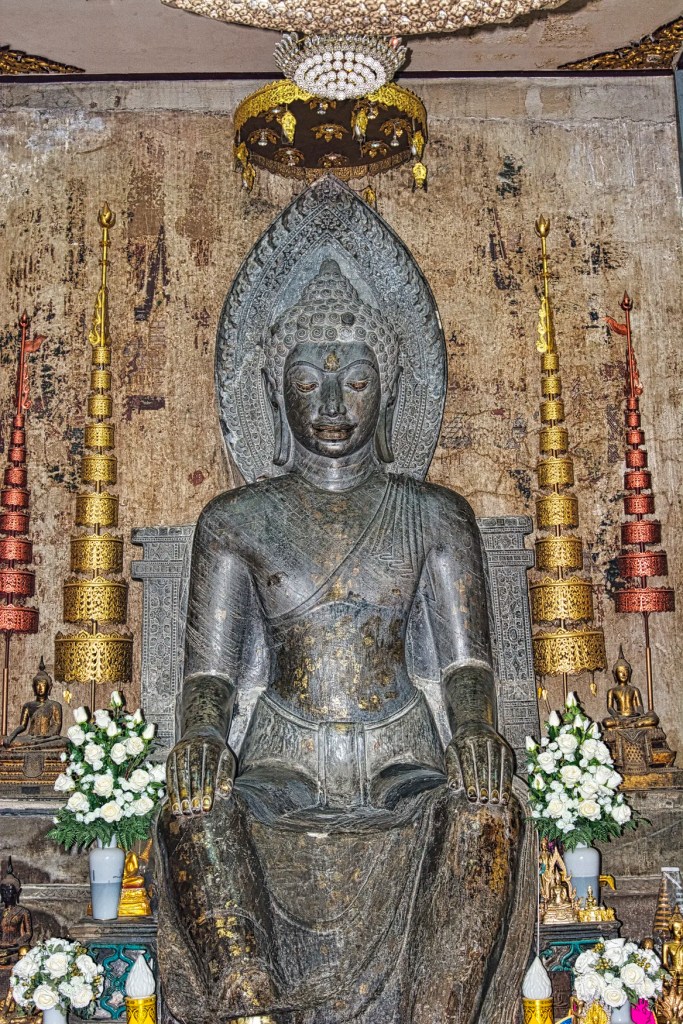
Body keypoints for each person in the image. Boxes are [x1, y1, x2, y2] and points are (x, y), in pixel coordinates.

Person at [156, 260, 533, 1024]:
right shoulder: (234, 520)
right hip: (281, 755)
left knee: (484, 813)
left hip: (400, 751)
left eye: (356, 381)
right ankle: (252, 1007)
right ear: (272, 392)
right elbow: (210, 674)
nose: (332, 404)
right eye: (308, 381)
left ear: (388, 391)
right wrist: (199, 733)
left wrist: (473, 731)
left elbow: (464, 660)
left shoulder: (434, 514)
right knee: (192, 812)